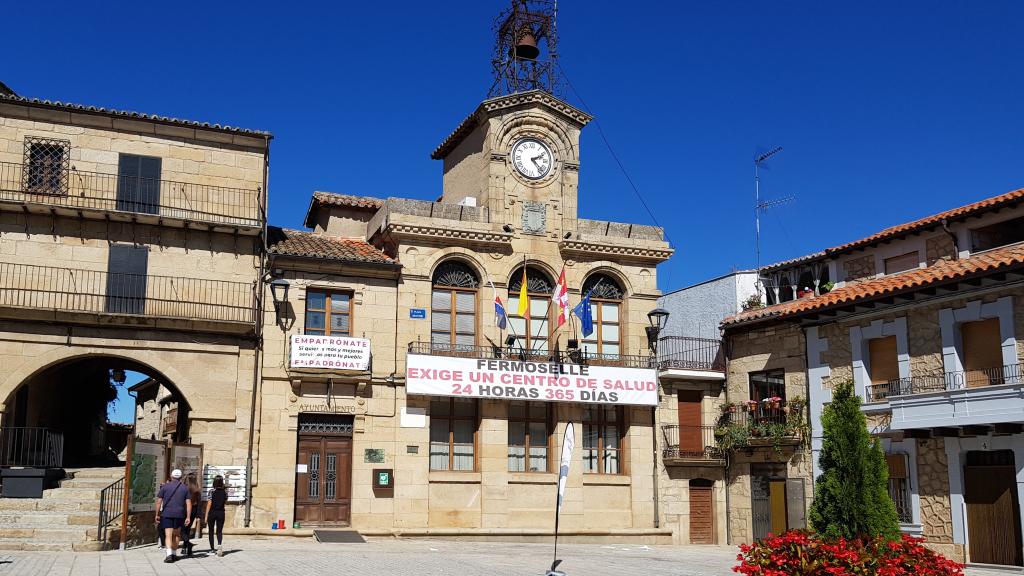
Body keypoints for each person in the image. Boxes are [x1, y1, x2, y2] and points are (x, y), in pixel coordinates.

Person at [155, 469, 192, 563]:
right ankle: (174, 553)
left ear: (171, 476)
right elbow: (188, 503)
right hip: (179, 514)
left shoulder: (165, 487)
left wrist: (157, 514)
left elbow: (159, 502)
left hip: (167, 513)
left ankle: (168, 554)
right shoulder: (185, 488)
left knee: (168, 534)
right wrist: (188, 517)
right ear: (181, 477)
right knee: (176, 534)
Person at [179, 472, 202, 557]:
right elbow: (199, 503)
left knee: (182, 530)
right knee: (187, 529)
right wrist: (198, 515)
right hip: (193, 511)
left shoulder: (184, 489)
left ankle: (187, 544)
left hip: (184, 510)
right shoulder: (197, 490)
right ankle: (186, 547)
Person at [204, 475, 228, 557]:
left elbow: (209, 504)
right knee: (219, 531)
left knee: (211, 531)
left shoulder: (211, 491)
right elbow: (224, 503)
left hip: (212, 512)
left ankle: (211, 549)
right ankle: (219, 545)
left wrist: (206, 516)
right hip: (221, 513)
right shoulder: (225, 492)